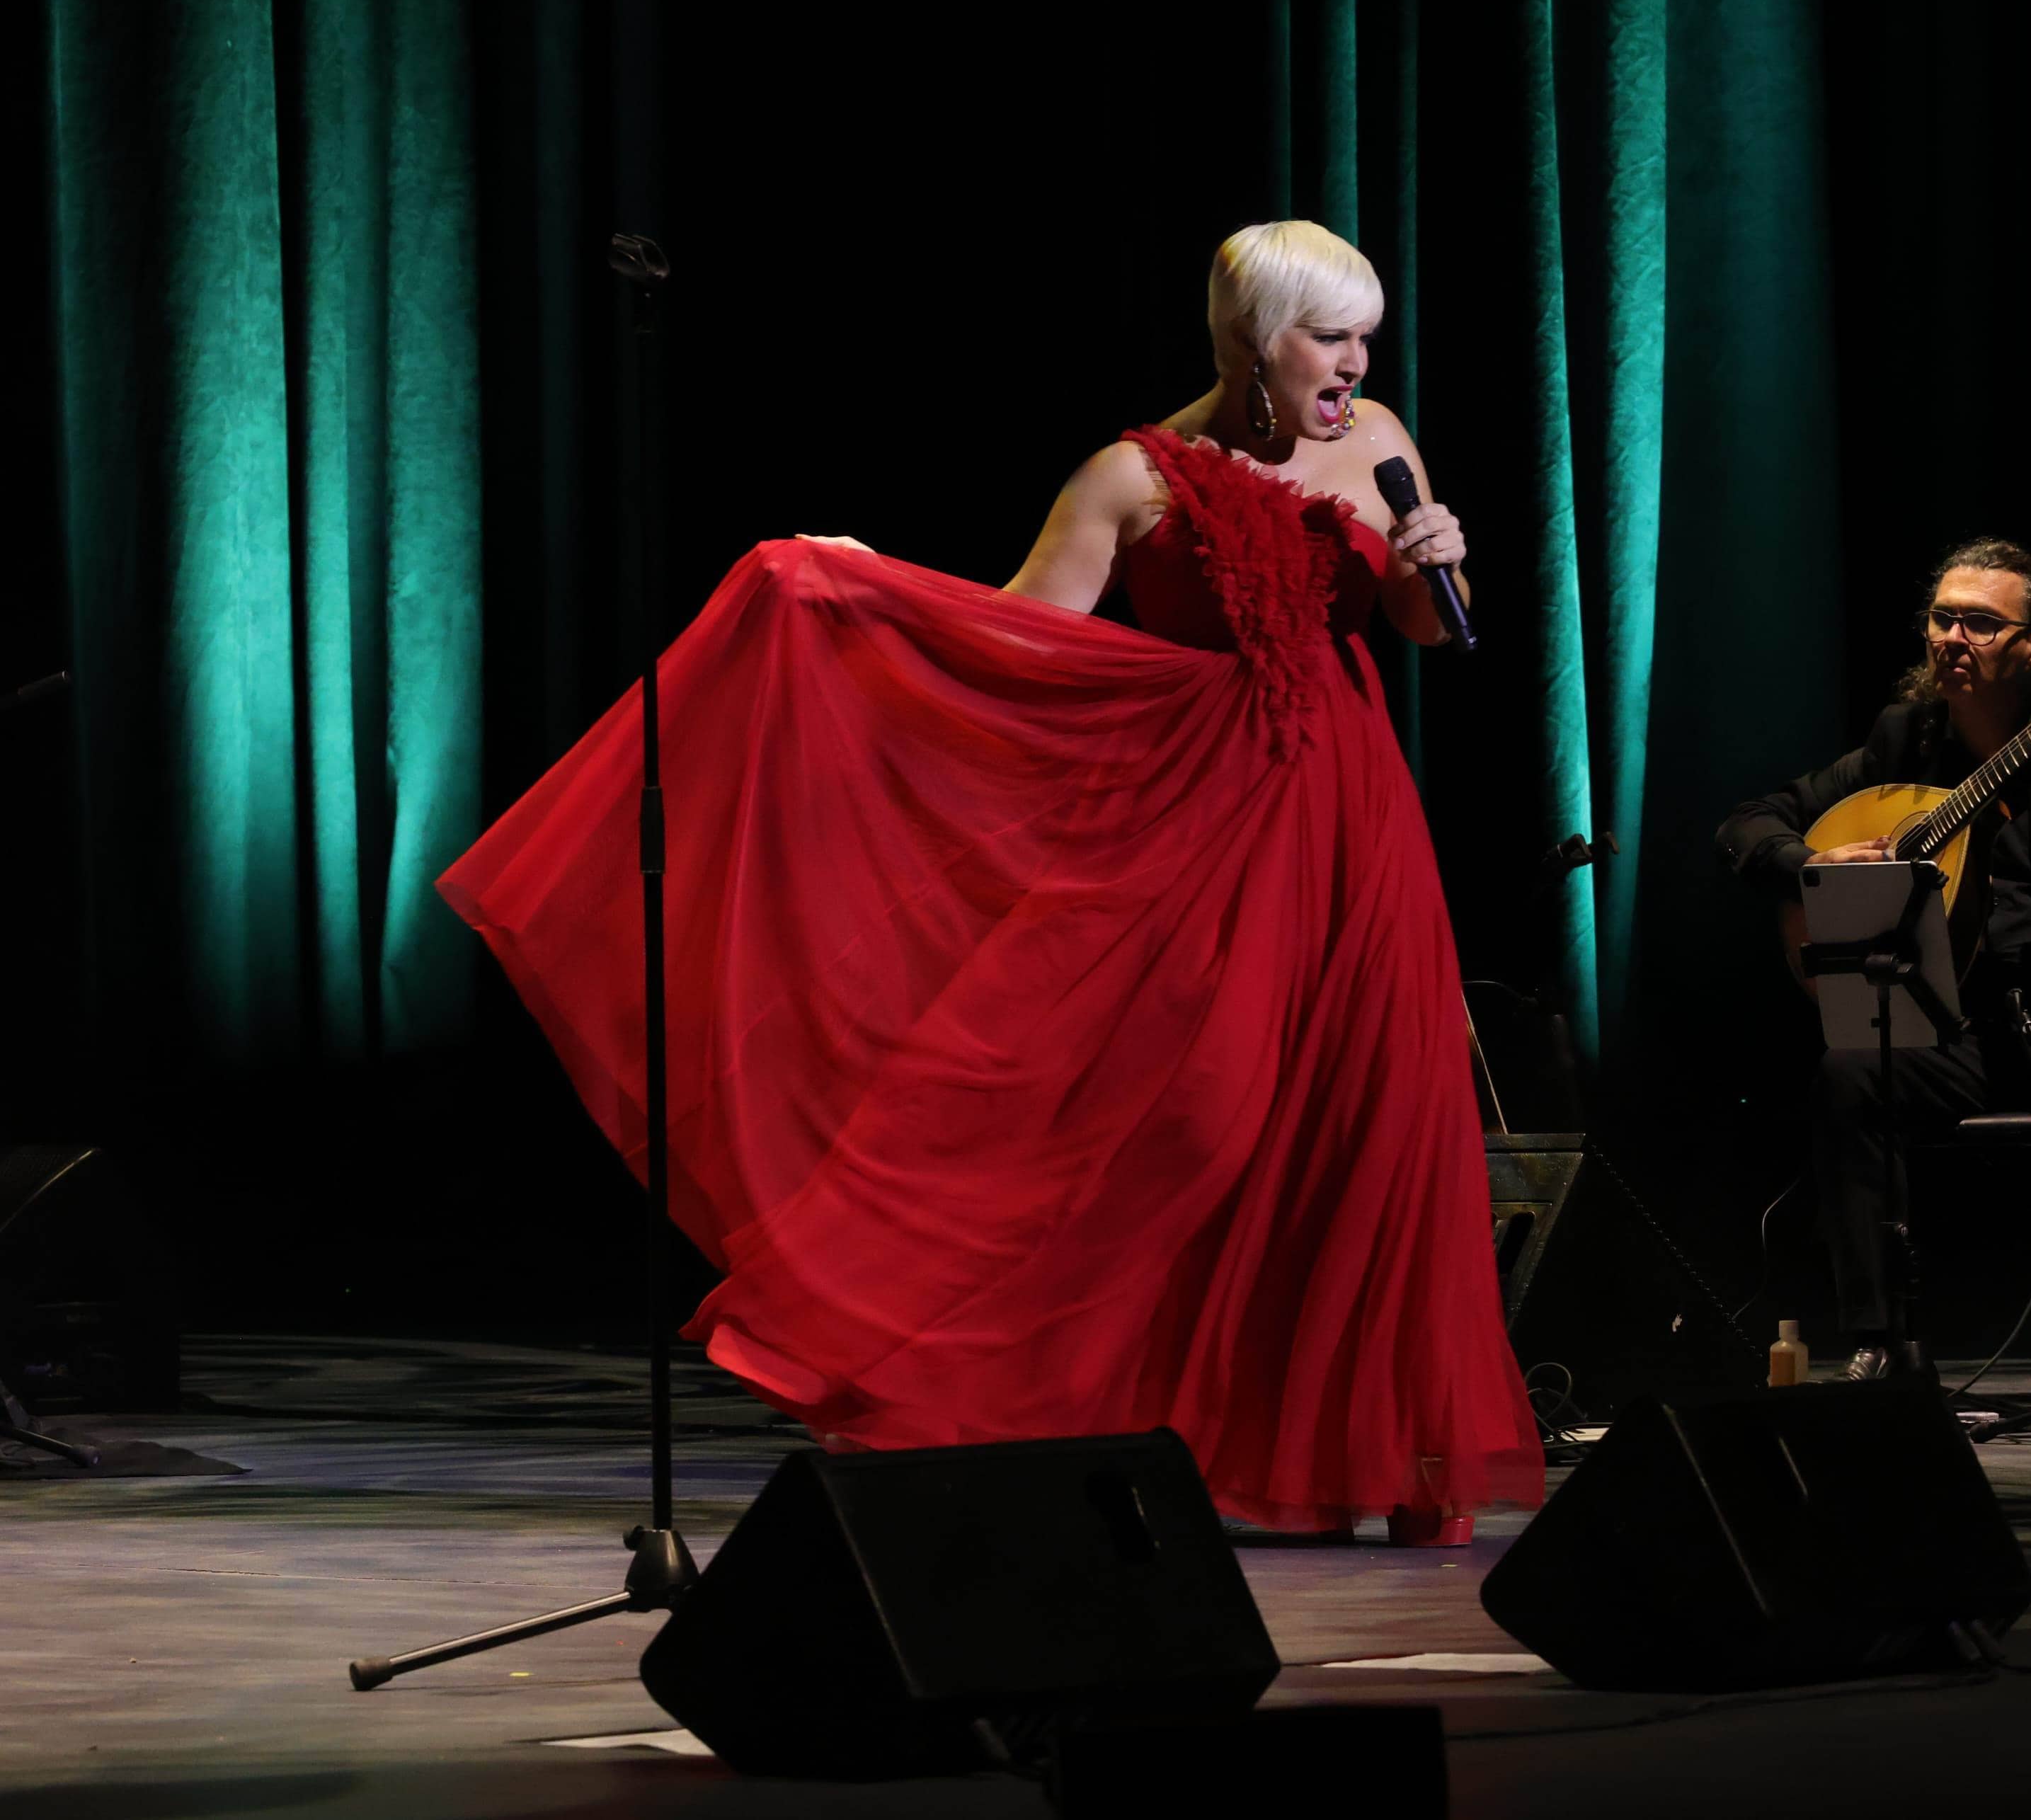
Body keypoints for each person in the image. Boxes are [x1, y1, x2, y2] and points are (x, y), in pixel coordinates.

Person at [440, 220, 1540, 1541]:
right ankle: (1066, 1409)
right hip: (1202, 831)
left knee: (1365, 1122)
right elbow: (1018, 630)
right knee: (1194, 1115)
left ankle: (1348, 1453)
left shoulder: (1382, 444)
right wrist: (853, 591)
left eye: (1366, 336)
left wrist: (1438, 561)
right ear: (1257, 340)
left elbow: (1428, 630)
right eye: (1330, 336)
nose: (1356, 363)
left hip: (1359, 822)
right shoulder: (1135, 475)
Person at [1715, 538, 2031, 1382]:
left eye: (1978, 622)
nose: (1950, 638)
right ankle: (1881, 1342)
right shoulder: (1904, 744)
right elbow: (1751, 822)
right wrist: (1812, 869)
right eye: (1941, 618)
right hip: (1950, 1023)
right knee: (1850, 1072)